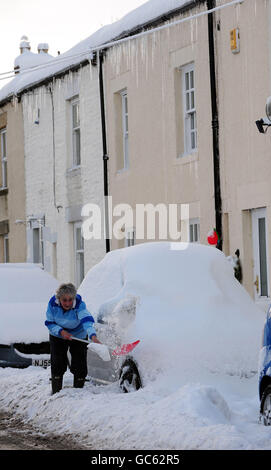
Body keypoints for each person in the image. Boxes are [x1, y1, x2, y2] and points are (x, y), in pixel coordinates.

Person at [45, 283, 100, 394]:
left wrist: (93, 336)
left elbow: (86, 320)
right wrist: (61, 331)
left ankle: (78, 391)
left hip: (78, 334)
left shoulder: (79, 305)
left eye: (70, 299)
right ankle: (56, 391)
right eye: (64, 300)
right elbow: (49, 322)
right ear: (59, 298)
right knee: (58, 361)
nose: (68, 303)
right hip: (57, 334)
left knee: (79, 362)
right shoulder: (52, 304)